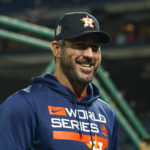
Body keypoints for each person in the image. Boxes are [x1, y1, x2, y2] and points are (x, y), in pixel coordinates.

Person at [0, 12, 119, 150]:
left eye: (95, 48)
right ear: (57, 49)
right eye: (80, 45)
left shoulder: (107, 113)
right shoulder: (23, 105)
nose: (89, 54)